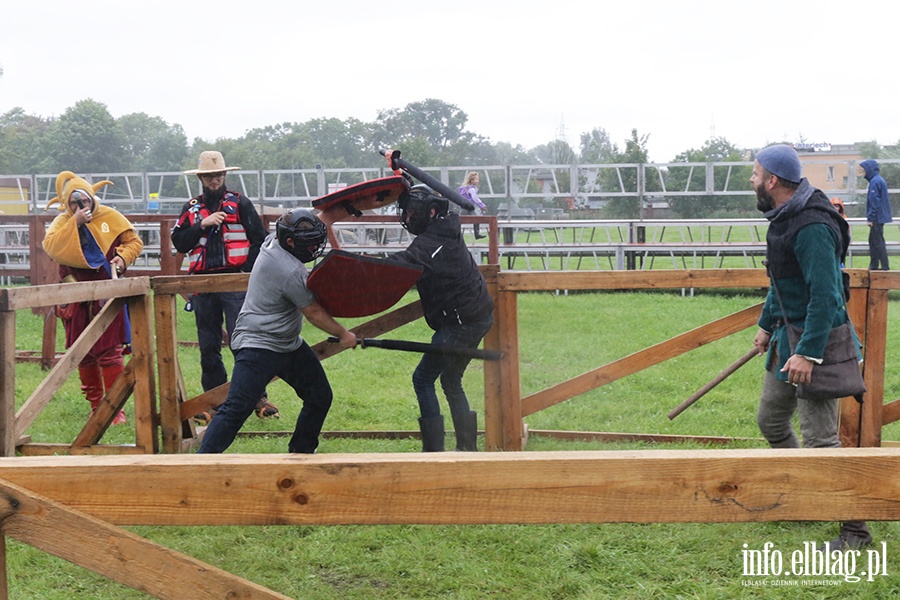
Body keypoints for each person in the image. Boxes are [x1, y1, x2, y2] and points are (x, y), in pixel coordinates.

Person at [750, 144, 872, 550]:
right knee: (770, 421)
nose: (751, 181)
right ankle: (805, 495)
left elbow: (827, 295)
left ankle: (855, 531)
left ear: (772, 181)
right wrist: (767, 325)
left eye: (755, 174)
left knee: (822, 440)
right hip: (788, 340)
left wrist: (808, 353)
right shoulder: (784, 218)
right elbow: (784, 281)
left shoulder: (812, 226)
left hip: (816, 344)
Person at [197, 209, 357, 453]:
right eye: (310, 243)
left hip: (288, 344)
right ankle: (201, 465)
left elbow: (318, 219)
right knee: (237, 408)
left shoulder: (274, 240)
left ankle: (300, 455)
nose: (314, 248)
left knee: (319, 397)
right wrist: (344, 335)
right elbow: (313, 312)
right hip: (257, 345)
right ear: (291, 242)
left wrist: (341, 210)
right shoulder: (289, 270)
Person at [172, 150, 279, 422]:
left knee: (243, 341)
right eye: (209, 175)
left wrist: (245, 272)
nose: (214, 179)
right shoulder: (192, 208)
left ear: (225, 175)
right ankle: (214, 401)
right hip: (203, 285)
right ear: (201, 178)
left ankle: (257, 397)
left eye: (218, 174)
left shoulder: (241, 203)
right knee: (208, 346)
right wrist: (201, 225)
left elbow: (260, 240)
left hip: (235, 282)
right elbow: (180, 242)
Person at [388, 185, 494, 452]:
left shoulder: (433, 242)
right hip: (475, 315)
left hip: (463, 322)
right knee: (450, 380)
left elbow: (403, 263)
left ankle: (434, 452)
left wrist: (361, 265)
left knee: (423, 379)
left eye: (413, 213)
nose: (408, 218)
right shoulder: (444, 227)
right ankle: (466, 450)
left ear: (432, 212)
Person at [42, 171, 144, 425]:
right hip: (75, 294)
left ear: (91, 199)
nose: (80, 206)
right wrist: (74, 223)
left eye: (83, 201)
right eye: (74, 203)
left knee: (110, 352)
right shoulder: (61, 224)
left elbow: (133, 242)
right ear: (68, 205)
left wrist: (122, 259)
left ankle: (114, 409)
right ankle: (96, 406)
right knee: (83, 353)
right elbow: (52, 248)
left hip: (107, 292)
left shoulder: (110, 217)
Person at [859, 159, 892, 270]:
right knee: (876, 240)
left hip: (877, 217)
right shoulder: (879, 180)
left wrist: (870, 218)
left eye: (864, 170)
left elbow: (874, 201)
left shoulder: (874, 182)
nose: (863, 172)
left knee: (876, 242)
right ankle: (878, 265)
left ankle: (880, 266)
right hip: (880, 217)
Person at [457, 171, 487, 239]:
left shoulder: (464, 188)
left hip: (464, 207)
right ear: (472, 180)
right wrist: (482, 205)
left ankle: (457, 233)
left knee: (460, 220)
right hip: (469, 207)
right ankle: (476, 233)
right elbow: (475, 198)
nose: (478, 181)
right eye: (476, 179)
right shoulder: (471, 189)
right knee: (476, 219)